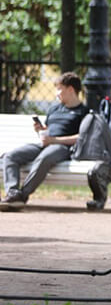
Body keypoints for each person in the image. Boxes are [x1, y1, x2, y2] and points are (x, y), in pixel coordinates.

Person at [1, 72, 89, 211]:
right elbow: (50, 129)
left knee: (44, 158)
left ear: (71, 89)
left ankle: (22, 196)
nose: (57, 93)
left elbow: (82, 137)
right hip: (44, 144)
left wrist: (54, 140)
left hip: (62, 147)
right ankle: (12, 193)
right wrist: (40, 130)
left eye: (59, 89)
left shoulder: (84, 112)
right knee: (10, 156)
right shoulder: (54, 109)